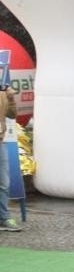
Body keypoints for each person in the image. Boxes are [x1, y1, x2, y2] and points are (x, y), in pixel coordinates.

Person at [0, 86, 19, 232]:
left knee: (4, 183)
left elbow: (12, 115)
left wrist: (11, 99)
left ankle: (3, 217)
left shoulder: (2, 92)